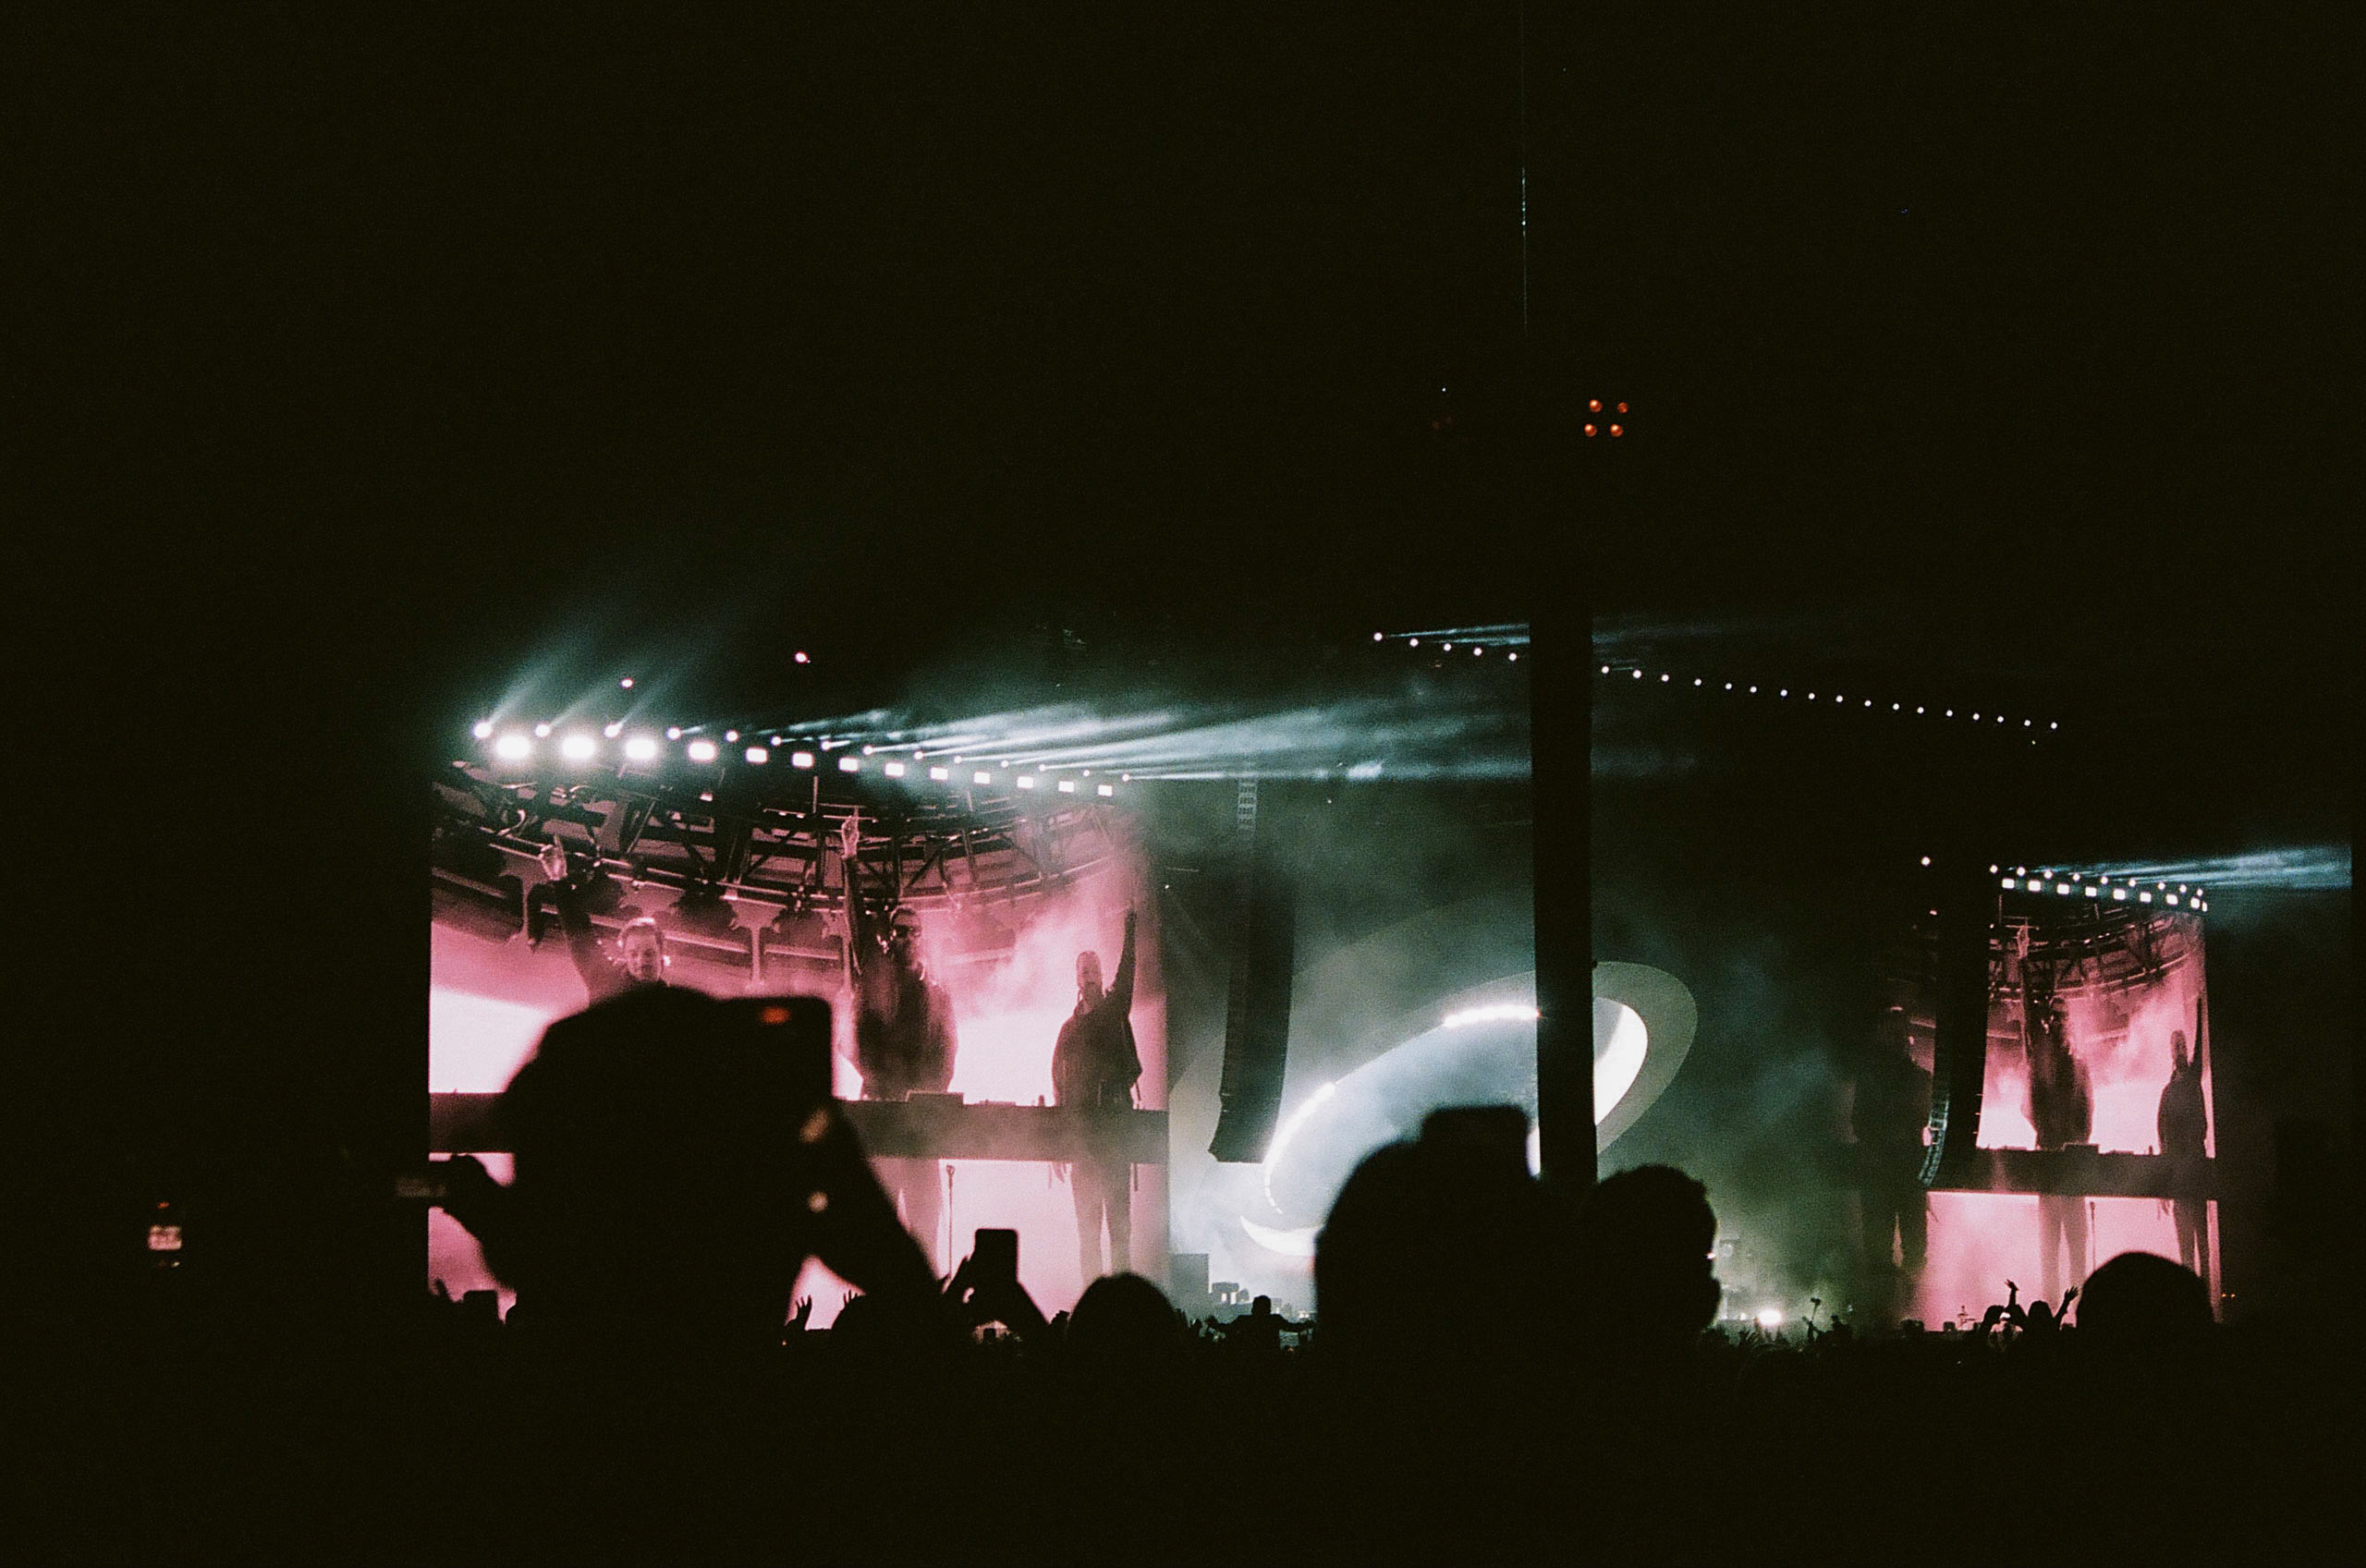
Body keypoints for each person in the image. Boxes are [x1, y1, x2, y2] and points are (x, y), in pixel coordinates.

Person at [838, 815, 959, 1270]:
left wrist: (931, 1096)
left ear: (922, 939)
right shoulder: (878, 975)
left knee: (926, 1225)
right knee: (880, 1227)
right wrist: (850, 858)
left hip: (921, 1122)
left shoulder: (938, 995)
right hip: (881, 1113)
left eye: (913, 930)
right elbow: (856, 927)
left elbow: (950, 1052)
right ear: (891, 937)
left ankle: (925, 1313)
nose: (905, 936)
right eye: (899, 930)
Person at [1052, 907, 1140, 1282]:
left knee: (1119, 1229)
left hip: (1114, 1132)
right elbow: (1057, 1084)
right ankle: (1093, 1303)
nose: (1088, 977)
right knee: (1088, 1232)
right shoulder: (1068, 1030)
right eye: (1083, 971)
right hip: (1082, 1140)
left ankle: (1121, 1307)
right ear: (1076, 978)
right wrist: (1057, 1143)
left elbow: (1128, 974)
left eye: (1094, 970)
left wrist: (1130, 929)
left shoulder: (1115, 1010)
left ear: (1102, 976)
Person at [1849, 1015, 1933, 1322]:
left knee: (1882, 1250)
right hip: (1905, 1172)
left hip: (1883, 1173)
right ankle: (1910, 1312)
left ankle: (1886, 1313)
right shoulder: (1920, 1079)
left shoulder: (1872, 1079)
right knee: (1910, 1249)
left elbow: (1859, 1123)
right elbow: (1924, 1120)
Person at [540, 841, 668, 1005]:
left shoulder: (675, 1009)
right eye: (633, 954)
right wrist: (559, 880)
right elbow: (579, 935)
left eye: (649, 953)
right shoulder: (605, 980)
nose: (642, 962)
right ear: (625, 956)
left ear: (662, 955)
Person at [2025, 995, 2092, 1303]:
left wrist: (2076, 1144)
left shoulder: (2079, 1066)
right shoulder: (2042, 1063)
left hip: (2072, 1166)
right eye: (2055, 1016)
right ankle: (2052, 1311)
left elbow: (2087, 1114)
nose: (2059, 1021)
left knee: (2076, 1250)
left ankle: (2076, 1311)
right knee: (2049, 1250)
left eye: (2063, 1016)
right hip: (2052, 1165)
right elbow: (2032, 1108)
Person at [2155, 1012, 2211, 1291]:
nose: (2179, 1052)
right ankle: (2194, 1300)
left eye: (2182, 1046)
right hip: (2179, 1174)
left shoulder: (2190, 1081)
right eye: (2175, 1047)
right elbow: (2162, 1136)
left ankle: (2207, 1300)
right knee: (2187, 1247)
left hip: (2192, 1171)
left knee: (2202, 1243)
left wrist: (2201, 1010)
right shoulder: (2168, 1091)